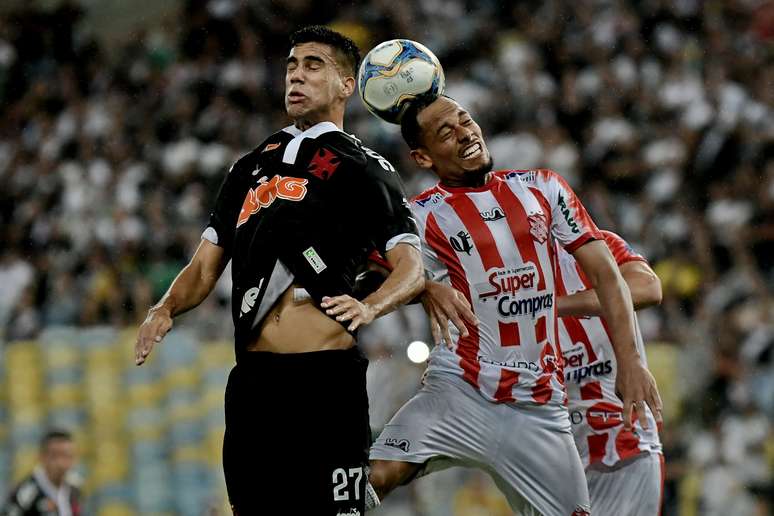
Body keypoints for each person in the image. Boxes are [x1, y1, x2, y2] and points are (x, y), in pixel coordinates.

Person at [133, 26, 424, 515]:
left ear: (346, 85)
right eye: (291, 65)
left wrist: (371, 305)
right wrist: (165, 309)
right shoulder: (246, 168)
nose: (297, 76)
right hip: (254, 384)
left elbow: (411, 266)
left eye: (314, 66)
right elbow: (204, 267)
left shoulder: (366, 167)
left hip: (326, 382)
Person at [366, 95, 662, 516]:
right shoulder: (420, 216)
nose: (465, 134)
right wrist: (425, 288)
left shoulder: (542, 187)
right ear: (423, 157)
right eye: (445, 133)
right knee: (375, 475)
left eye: (465, 121)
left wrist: (631, 363)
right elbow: (374, 269)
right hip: (460, 391)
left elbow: (611, 275)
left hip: (539, 408)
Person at [556, 230, 665, 515]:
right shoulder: (503, 276)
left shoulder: (594, 245)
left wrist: (554, 307)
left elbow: (649, 287)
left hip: (624, 445)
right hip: (558, 463)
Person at [1, 429, 81, 516]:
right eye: (55, 456)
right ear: (42, 457)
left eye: (66, 456)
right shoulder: (27, 492)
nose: (61, 463)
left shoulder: (74, 487)